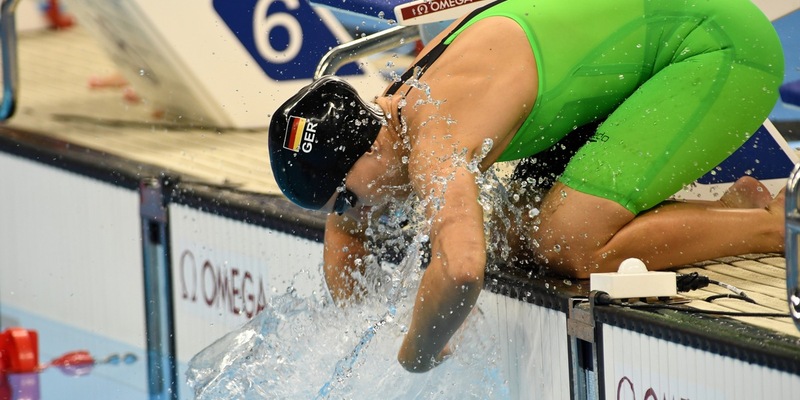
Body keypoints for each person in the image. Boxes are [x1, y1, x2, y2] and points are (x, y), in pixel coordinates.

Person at [268, 0, 786, 372]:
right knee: (514, 240)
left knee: (568, 243)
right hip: (642, 65)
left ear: (371, 148)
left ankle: (775, 227)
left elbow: (463, 270)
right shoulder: (392, 112)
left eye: (351, 200)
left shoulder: (435, 139)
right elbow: (344, 236)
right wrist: (357, 331)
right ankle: (729, 214)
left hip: (722, 51)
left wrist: (414, 356)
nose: (360, 216)